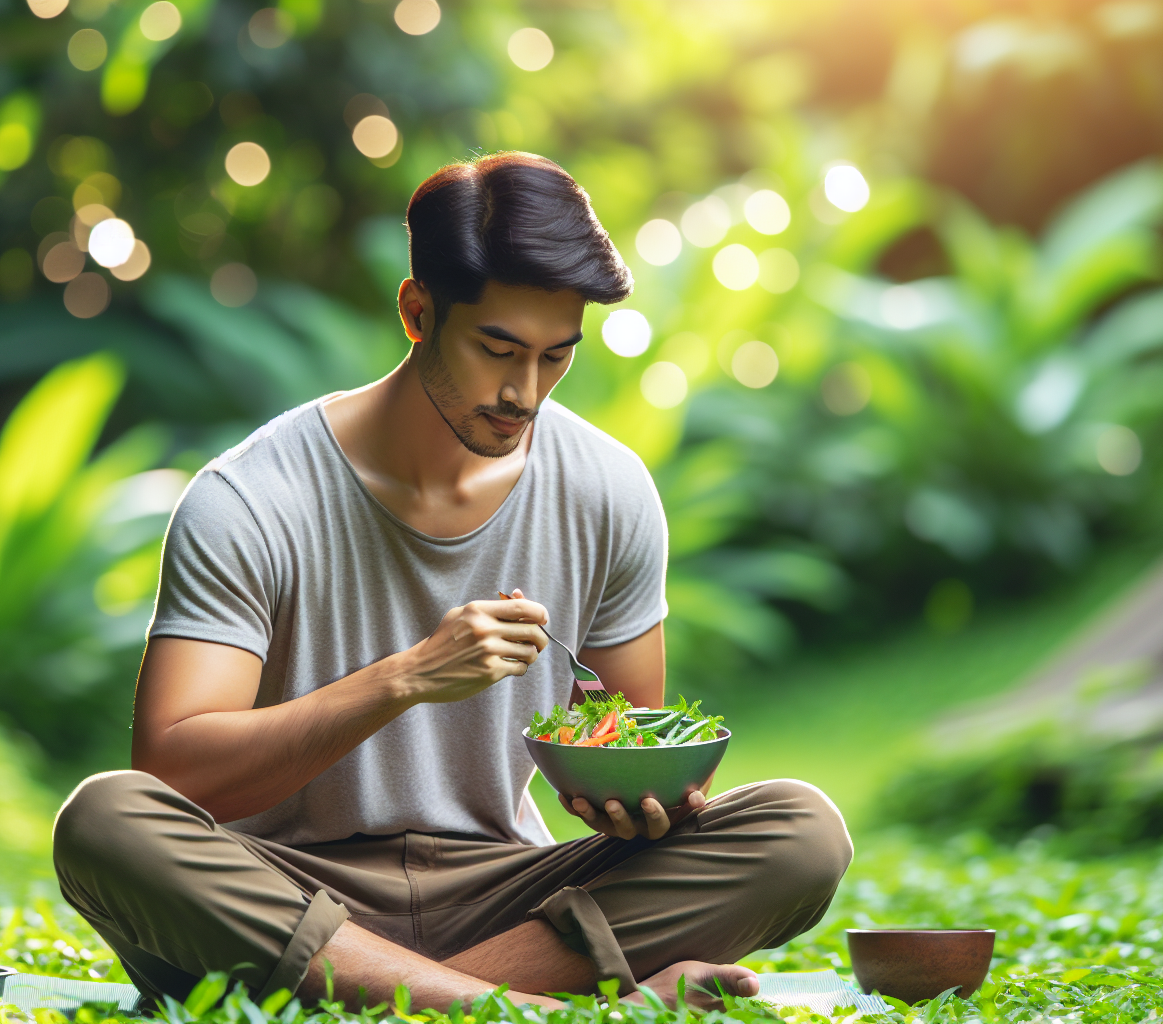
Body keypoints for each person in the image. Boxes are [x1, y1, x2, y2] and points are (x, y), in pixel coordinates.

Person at [52, 152, 852, 1013]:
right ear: (417, 311)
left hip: (506, 892)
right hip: (285, 894)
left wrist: (637, 806)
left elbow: (617, 752)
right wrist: (406, 678)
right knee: (107, 823)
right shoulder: (250, 498)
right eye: (498, 349)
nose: (525, 393)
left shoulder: (608, 492)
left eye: (557, 357)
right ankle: (545, 1004)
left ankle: (400, 1001)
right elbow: (177, 776)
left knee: (801, 834)